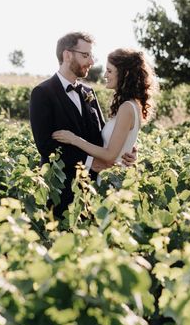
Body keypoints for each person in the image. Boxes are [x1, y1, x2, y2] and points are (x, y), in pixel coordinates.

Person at [29, 32, 136, 218]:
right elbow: (46, 146)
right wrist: (89, 162)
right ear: (67, 55)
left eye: (91, 56)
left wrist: (126, 148)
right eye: (85, 55)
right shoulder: (42, 93)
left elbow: (102, 136)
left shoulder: (89, 92)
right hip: (61, 192)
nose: (91, 62)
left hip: (94, 191)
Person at [52, 48, 156, 168]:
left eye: (109, 71)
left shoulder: (127, 108)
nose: (105, 75)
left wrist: (74, 139)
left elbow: (109, 155)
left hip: (113, 179)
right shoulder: (131, 105)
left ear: (125, 73)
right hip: (112, 173)